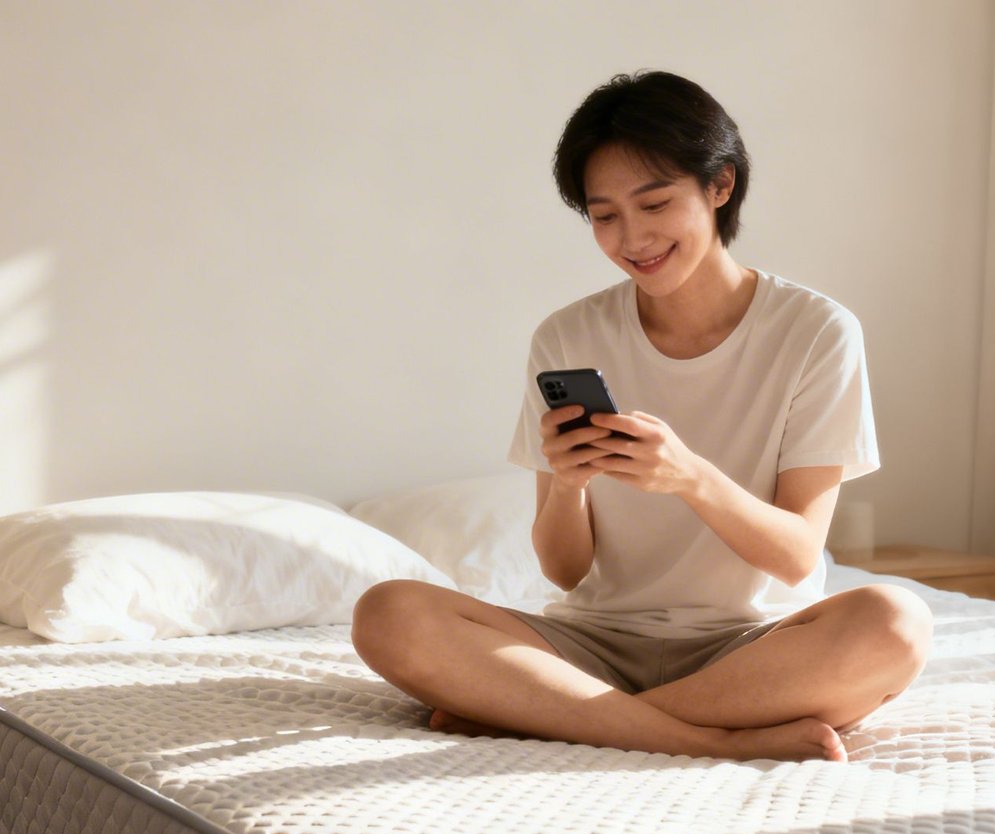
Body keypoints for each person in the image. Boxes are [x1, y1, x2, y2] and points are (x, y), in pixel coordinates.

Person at [352, 71, 932, 763]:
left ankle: (548, 717)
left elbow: (798, 555)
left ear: (720, 186)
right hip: (592, 644)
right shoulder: (567, 337)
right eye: (604, 216)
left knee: (895, 623)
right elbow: (565, 573)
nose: (632, 238)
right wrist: (567, 484)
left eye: (654, 203)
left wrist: (691, 479)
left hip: (751, 652)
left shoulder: (815, 332)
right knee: (388, 613)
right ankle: (711, 740)